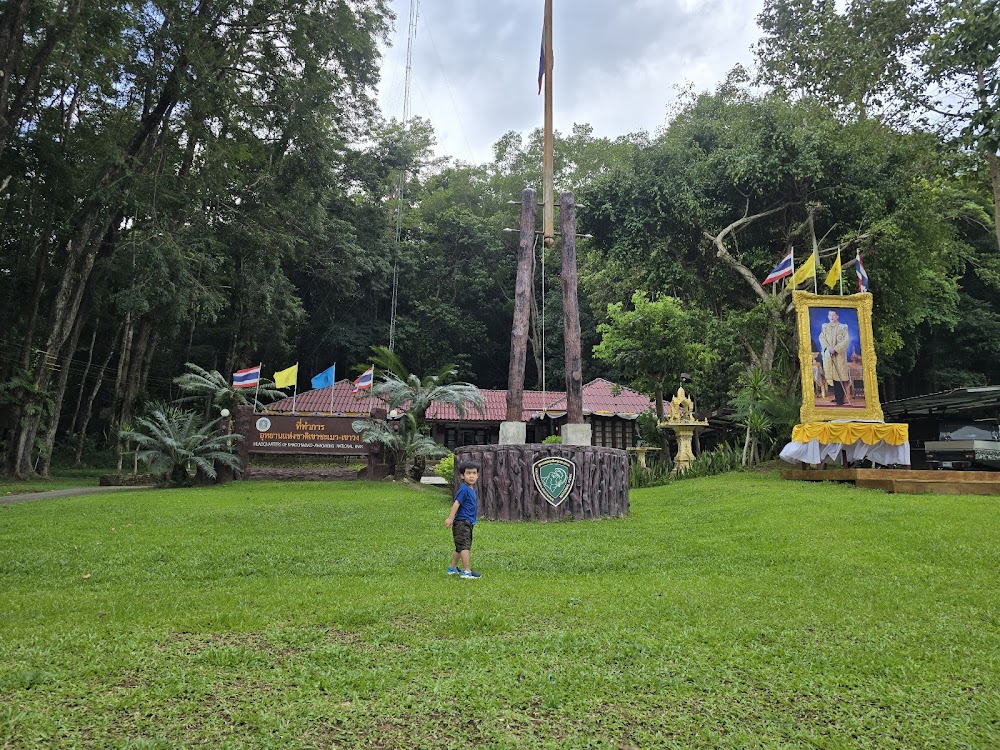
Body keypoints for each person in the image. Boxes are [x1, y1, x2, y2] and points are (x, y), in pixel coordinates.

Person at [445, 460, 482, 579]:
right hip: (462, 522)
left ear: (478, 475)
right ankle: (466, 571)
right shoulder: (464, 489)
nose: (471, 476)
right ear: (462, 475)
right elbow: (456, 504)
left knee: (459, 546)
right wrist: (450, 518)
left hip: (468, 522)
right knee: (465, 547)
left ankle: (453, 568)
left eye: (474, 473)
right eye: (468, 473)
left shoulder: (471, 489)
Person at [819, 309, 852, 406]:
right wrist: (827, 348)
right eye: (829, 315)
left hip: (839, 356)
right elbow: (822, 338)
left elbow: (845, 341)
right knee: (832, 377)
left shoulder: (843, 327)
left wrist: (836, 349)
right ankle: (837, 397)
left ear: (837, 316)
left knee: (839, 377)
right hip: (829, 355)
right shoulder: (825, 327)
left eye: (833, 315)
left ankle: (840, 399)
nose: (831, 317)